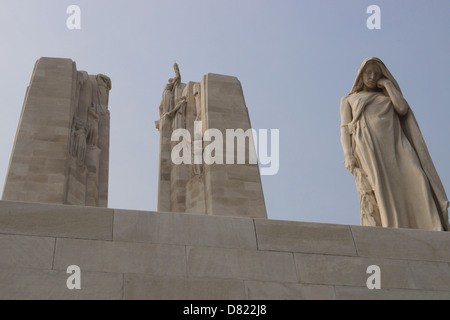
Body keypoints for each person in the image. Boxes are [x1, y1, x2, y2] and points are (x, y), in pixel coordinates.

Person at [340, 57, 449, 231]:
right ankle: (393, 227)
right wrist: (348, 154)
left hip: (397, 143)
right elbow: (345, 129)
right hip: (371, 146)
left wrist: (388, 85)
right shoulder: (349, 99)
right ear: (361, 74)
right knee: (383, 188)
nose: (372, 76)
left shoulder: (388, 95)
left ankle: (431, 226)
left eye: (377, 73)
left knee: (417, 176)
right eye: (369, 72)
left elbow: (402, 109)